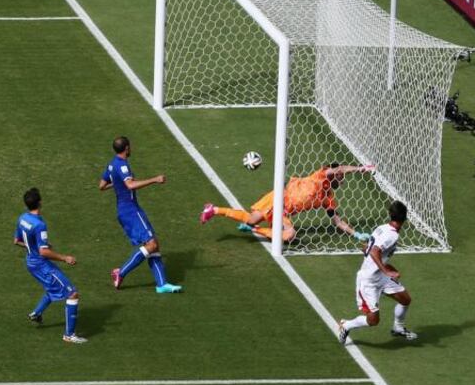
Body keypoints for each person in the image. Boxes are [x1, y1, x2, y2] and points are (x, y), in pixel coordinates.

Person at [199, 163, 375, 243]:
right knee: (251, 219)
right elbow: (339, 168)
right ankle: (213, 210)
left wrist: (356, 234)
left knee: (289, 235)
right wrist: (360, 169)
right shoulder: (320, 176)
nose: (342, 181)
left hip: (283, 213)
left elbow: (337, 221)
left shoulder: (327, 198)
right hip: (278, 197)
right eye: (341, 177)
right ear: (335, 175)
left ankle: (255, 229)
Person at [99, 137, 182, 294]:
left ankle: (161, 284)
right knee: (151, 245)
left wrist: (117, 184)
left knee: (154, 243)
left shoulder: (111, 164)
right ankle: (120, 272)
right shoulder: (123, 165)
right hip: (131, 211)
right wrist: (155, 179)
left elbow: (102, 186)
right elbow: (130, 185)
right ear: (127, 148)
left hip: (125, 210)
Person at [337, 201, 418, 345]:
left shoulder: (382, 228)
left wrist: (386, 267)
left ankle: (398, 328)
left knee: (405, 299)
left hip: (380, 276)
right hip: (368, 280)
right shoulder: (392, 236)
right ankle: (346, 325)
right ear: (405, 218)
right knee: (373, 320)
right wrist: (386, 269)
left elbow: (368, 249)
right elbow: (375, 251)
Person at [14, 187, 87, 344]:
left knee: (52, 287)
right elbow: (44, 252)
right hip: (42, 265)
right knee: (72, 293)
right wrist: (64, 257)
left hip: (30, 263)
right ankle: (69, 335)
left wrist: (34, 247)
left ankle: (36, 313)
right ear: (40, 203)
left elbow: (17, 241)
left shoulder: (22, 218)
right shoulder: (40, 225)